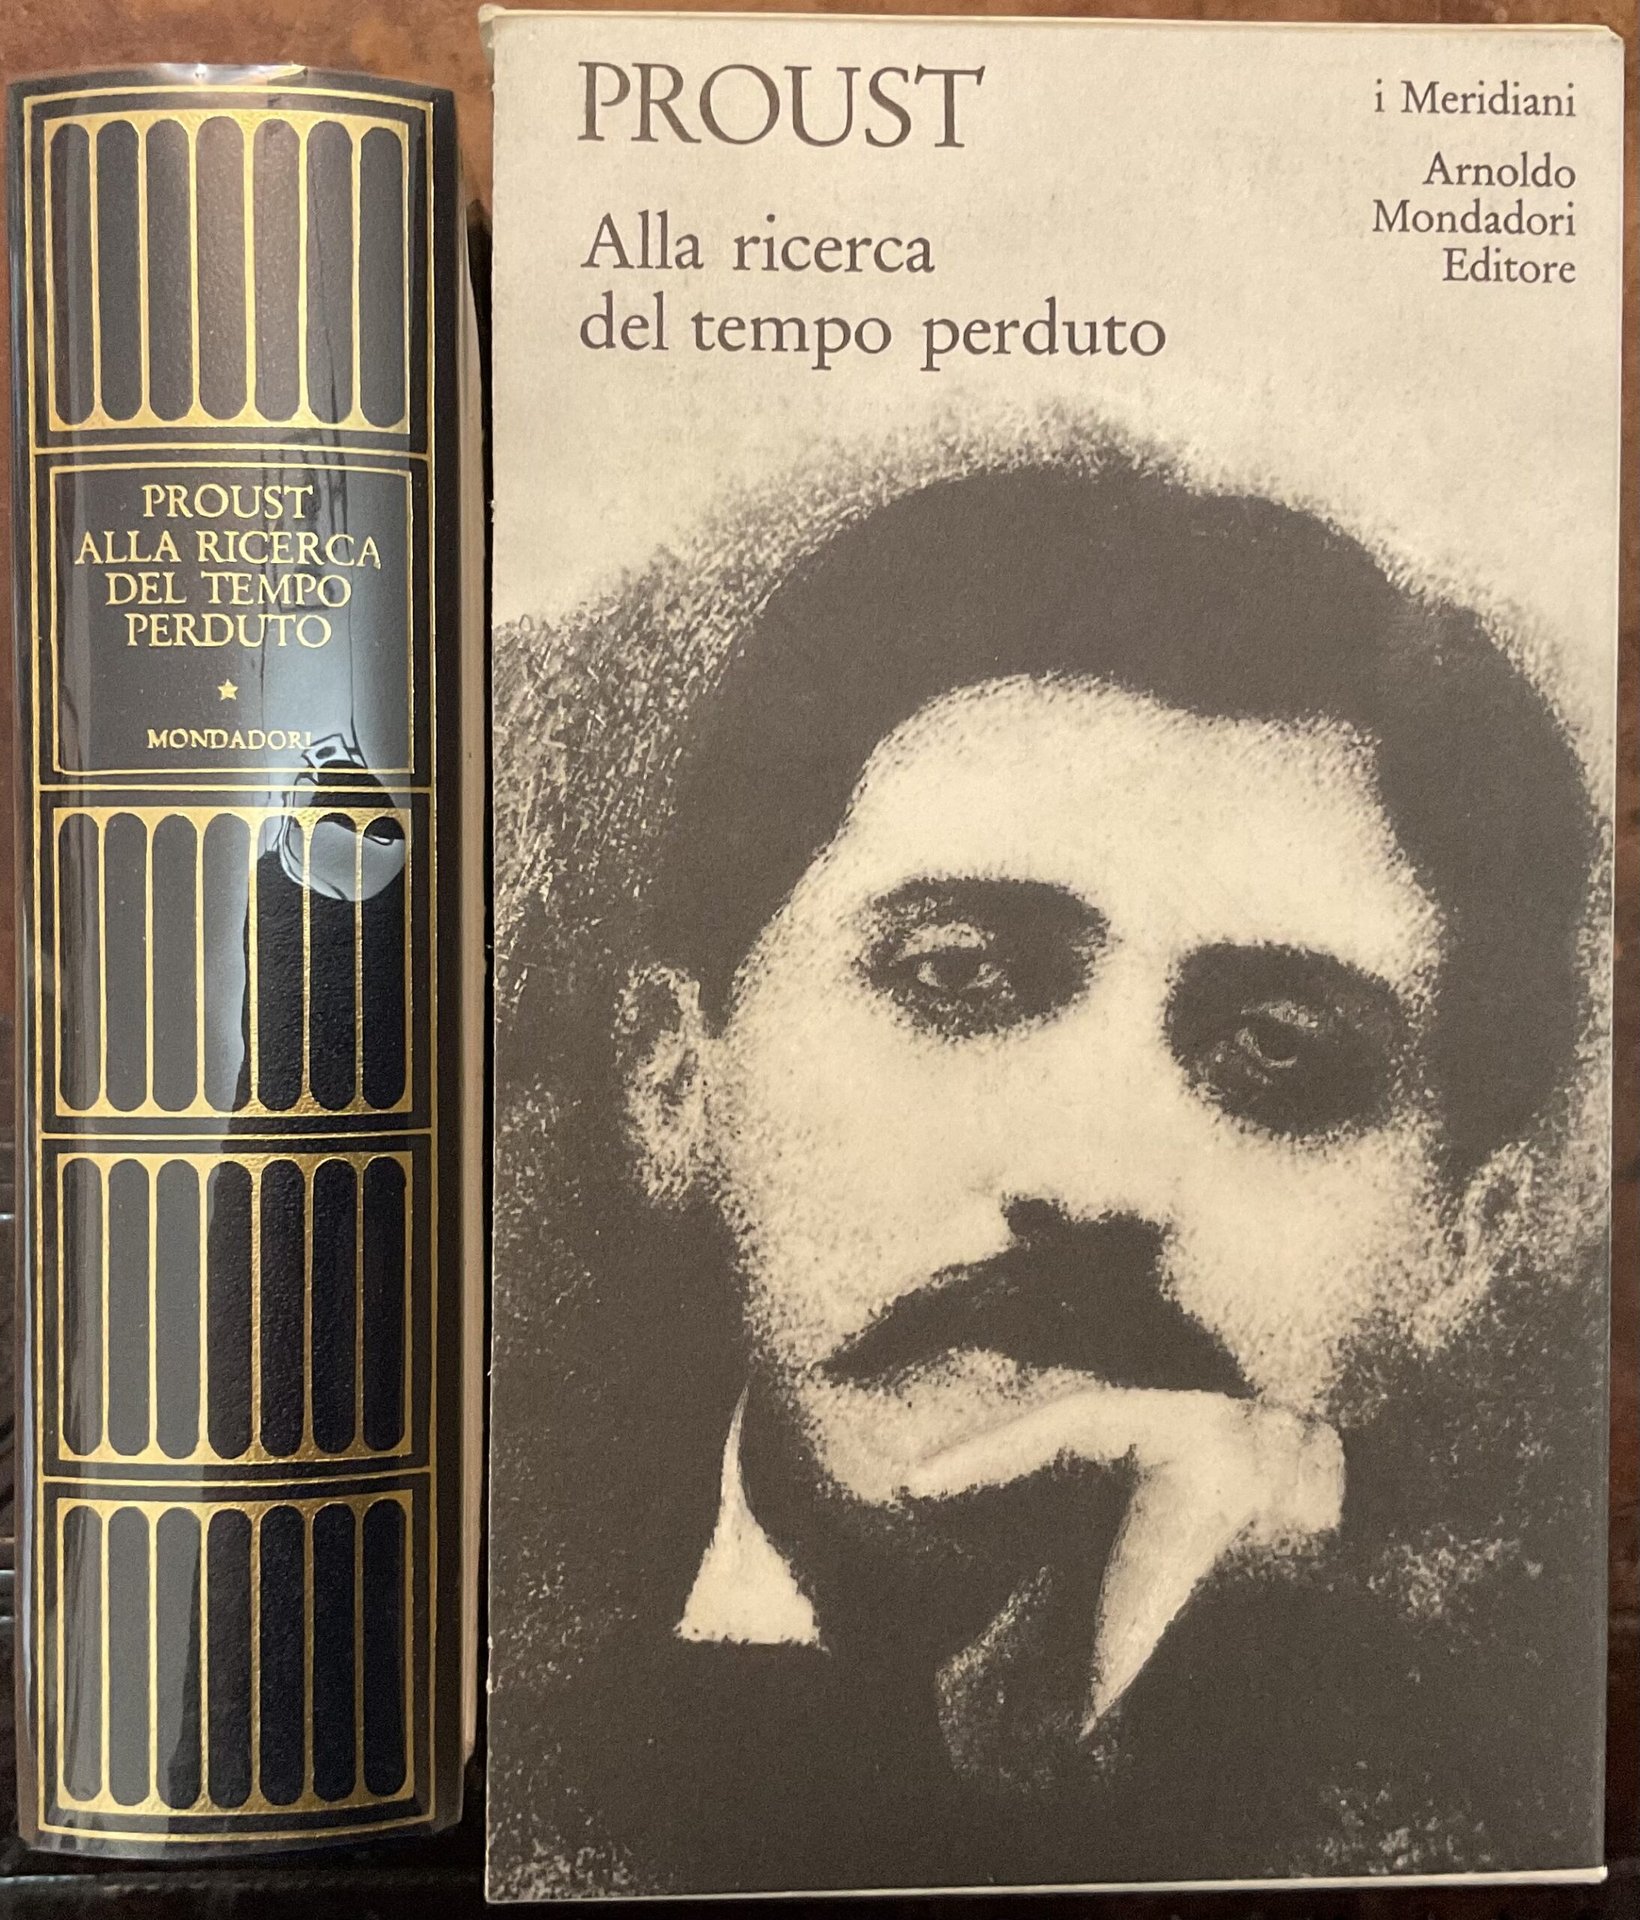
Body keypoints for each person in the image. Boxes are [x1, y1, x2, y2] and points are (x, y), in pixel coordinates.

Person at [489, 452, 1605, 1893]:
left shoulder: (1497, 1826)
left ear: (1459, 1243)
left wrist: (1278, 1763)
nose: (1093, 1178)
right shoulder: (488, 1790)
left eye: (1279, 1053)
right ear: (674, 1083)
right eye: (957, 975)